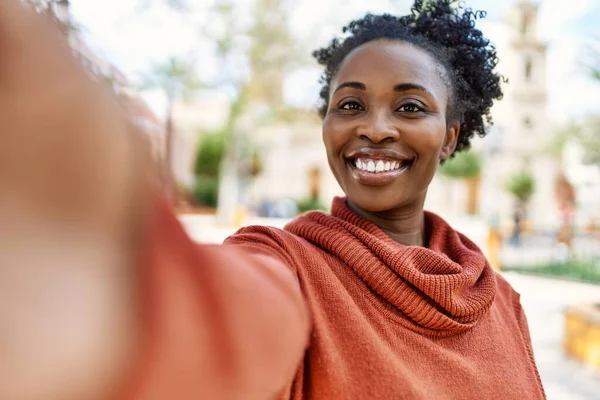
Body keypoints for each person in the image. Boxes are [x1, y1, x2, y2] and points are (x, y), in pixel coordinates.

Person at [1, 1, 546, 399]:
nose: (375, 129)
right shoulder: (290, 266)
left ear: (450, 135)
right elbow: (233, 313)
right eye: (350, 104)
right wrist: (116, 303)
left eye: (409, 108)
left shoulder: (499, 299)